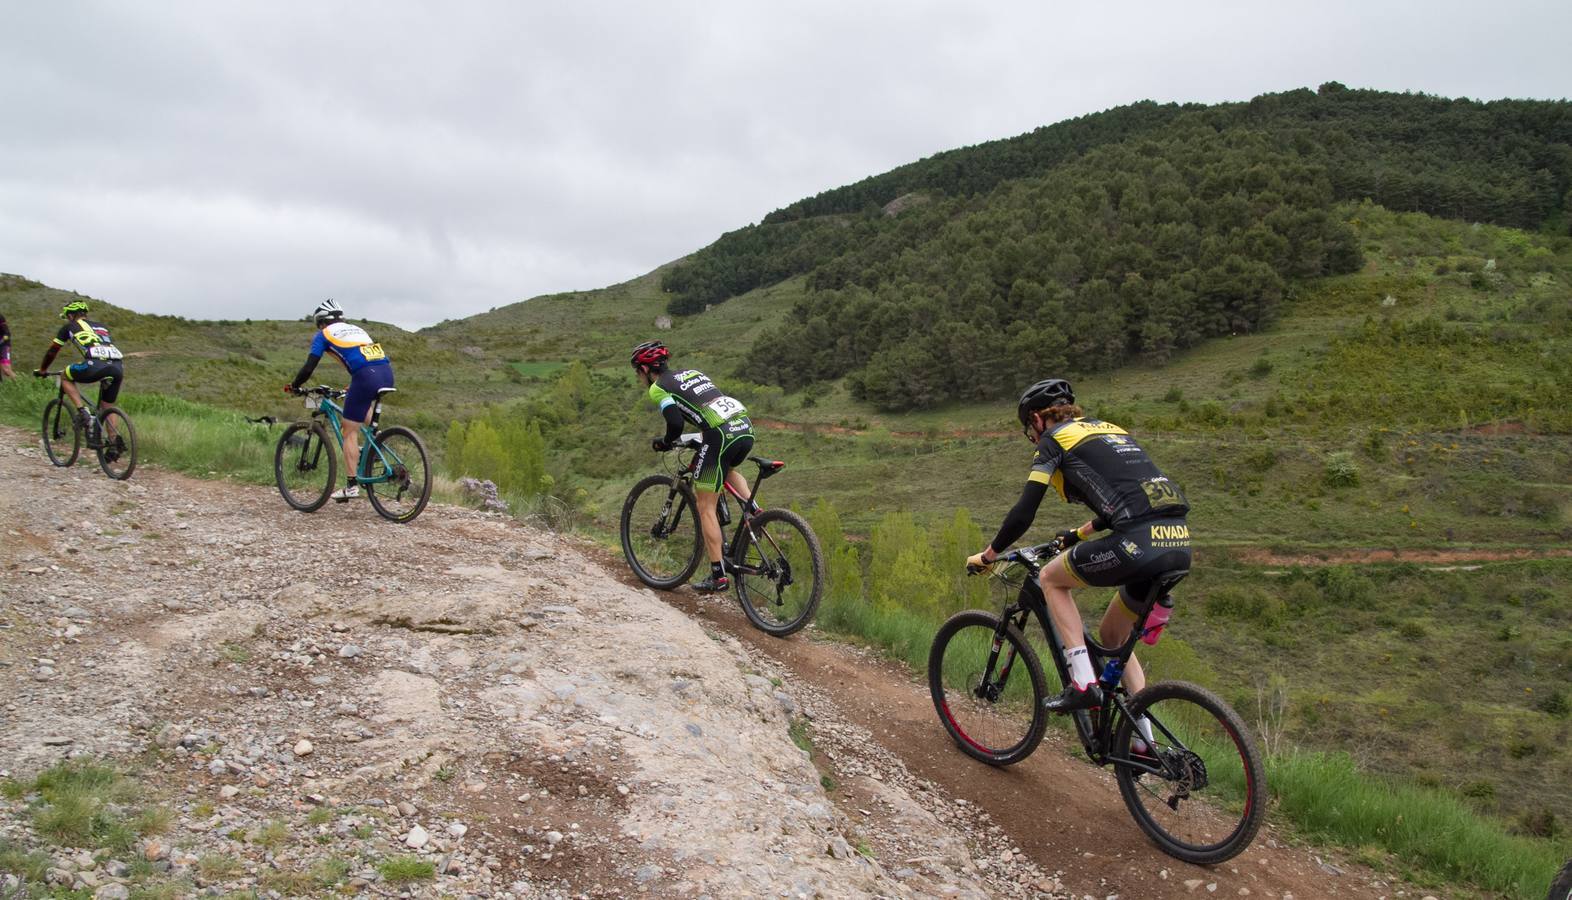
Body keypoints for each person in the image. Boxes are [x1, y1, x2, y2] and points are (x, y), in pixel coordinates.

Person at [967, 378, 1191, 729]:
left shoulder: (1054, 440)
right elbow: (1125, 496)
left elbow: (1025, 510)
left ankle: (1083, 683)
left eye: (1030, 427)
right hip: (1176, 541)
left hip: (1137, 542)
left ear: (1039, 419)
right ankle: (1141, 740)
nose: (1032, 434)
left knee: (1051, 579)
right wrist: (1077, 534)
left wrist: (990, 554)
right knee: (1114, 637)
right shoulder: (1110, 430)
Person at [631, 340, 753, 592]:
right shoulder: (693, 373)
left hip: (719, 434)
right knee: (727, 469)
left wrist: (665, 442)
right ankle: (755, 515)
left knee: (705, 506)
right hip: (743, 426)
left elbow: (675, 424)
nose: (638, 378)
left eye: (637, 372)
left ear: (644, 370)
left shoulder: (658, 388)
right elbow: (706, 405)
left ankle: (718, 576)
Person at [286, 300, 394, 501]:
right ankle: (378, 442)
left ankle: (352, 485)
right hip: (385, 373)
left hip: (365, 376)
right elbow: (364, 359)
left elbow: (309, 367)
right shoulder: (356, 329)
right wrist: (354, 385)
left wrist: (295, 385)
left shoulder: (324, 335)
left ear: (321, 322)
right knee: (360, 406)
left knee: (348, 430)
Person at [34, 301, 125, 437]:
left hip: (95, 365)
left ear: (70, 315)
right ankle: (113, 445)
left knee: (65, 375)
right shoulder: (102, 327)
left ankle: (83, 412)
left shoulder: (69, 327)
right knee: (108, 407)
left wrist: (43, 369)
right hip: (117, 367)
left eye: (67, 316)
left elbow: (52, 351)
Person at [0, 312, 15, 379]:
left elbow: (7, 334)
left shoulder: (1, 318)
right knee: (4, 371)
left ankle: (20, 385)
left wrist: (1, 341)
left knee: (7, 370)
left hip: (4, 347)